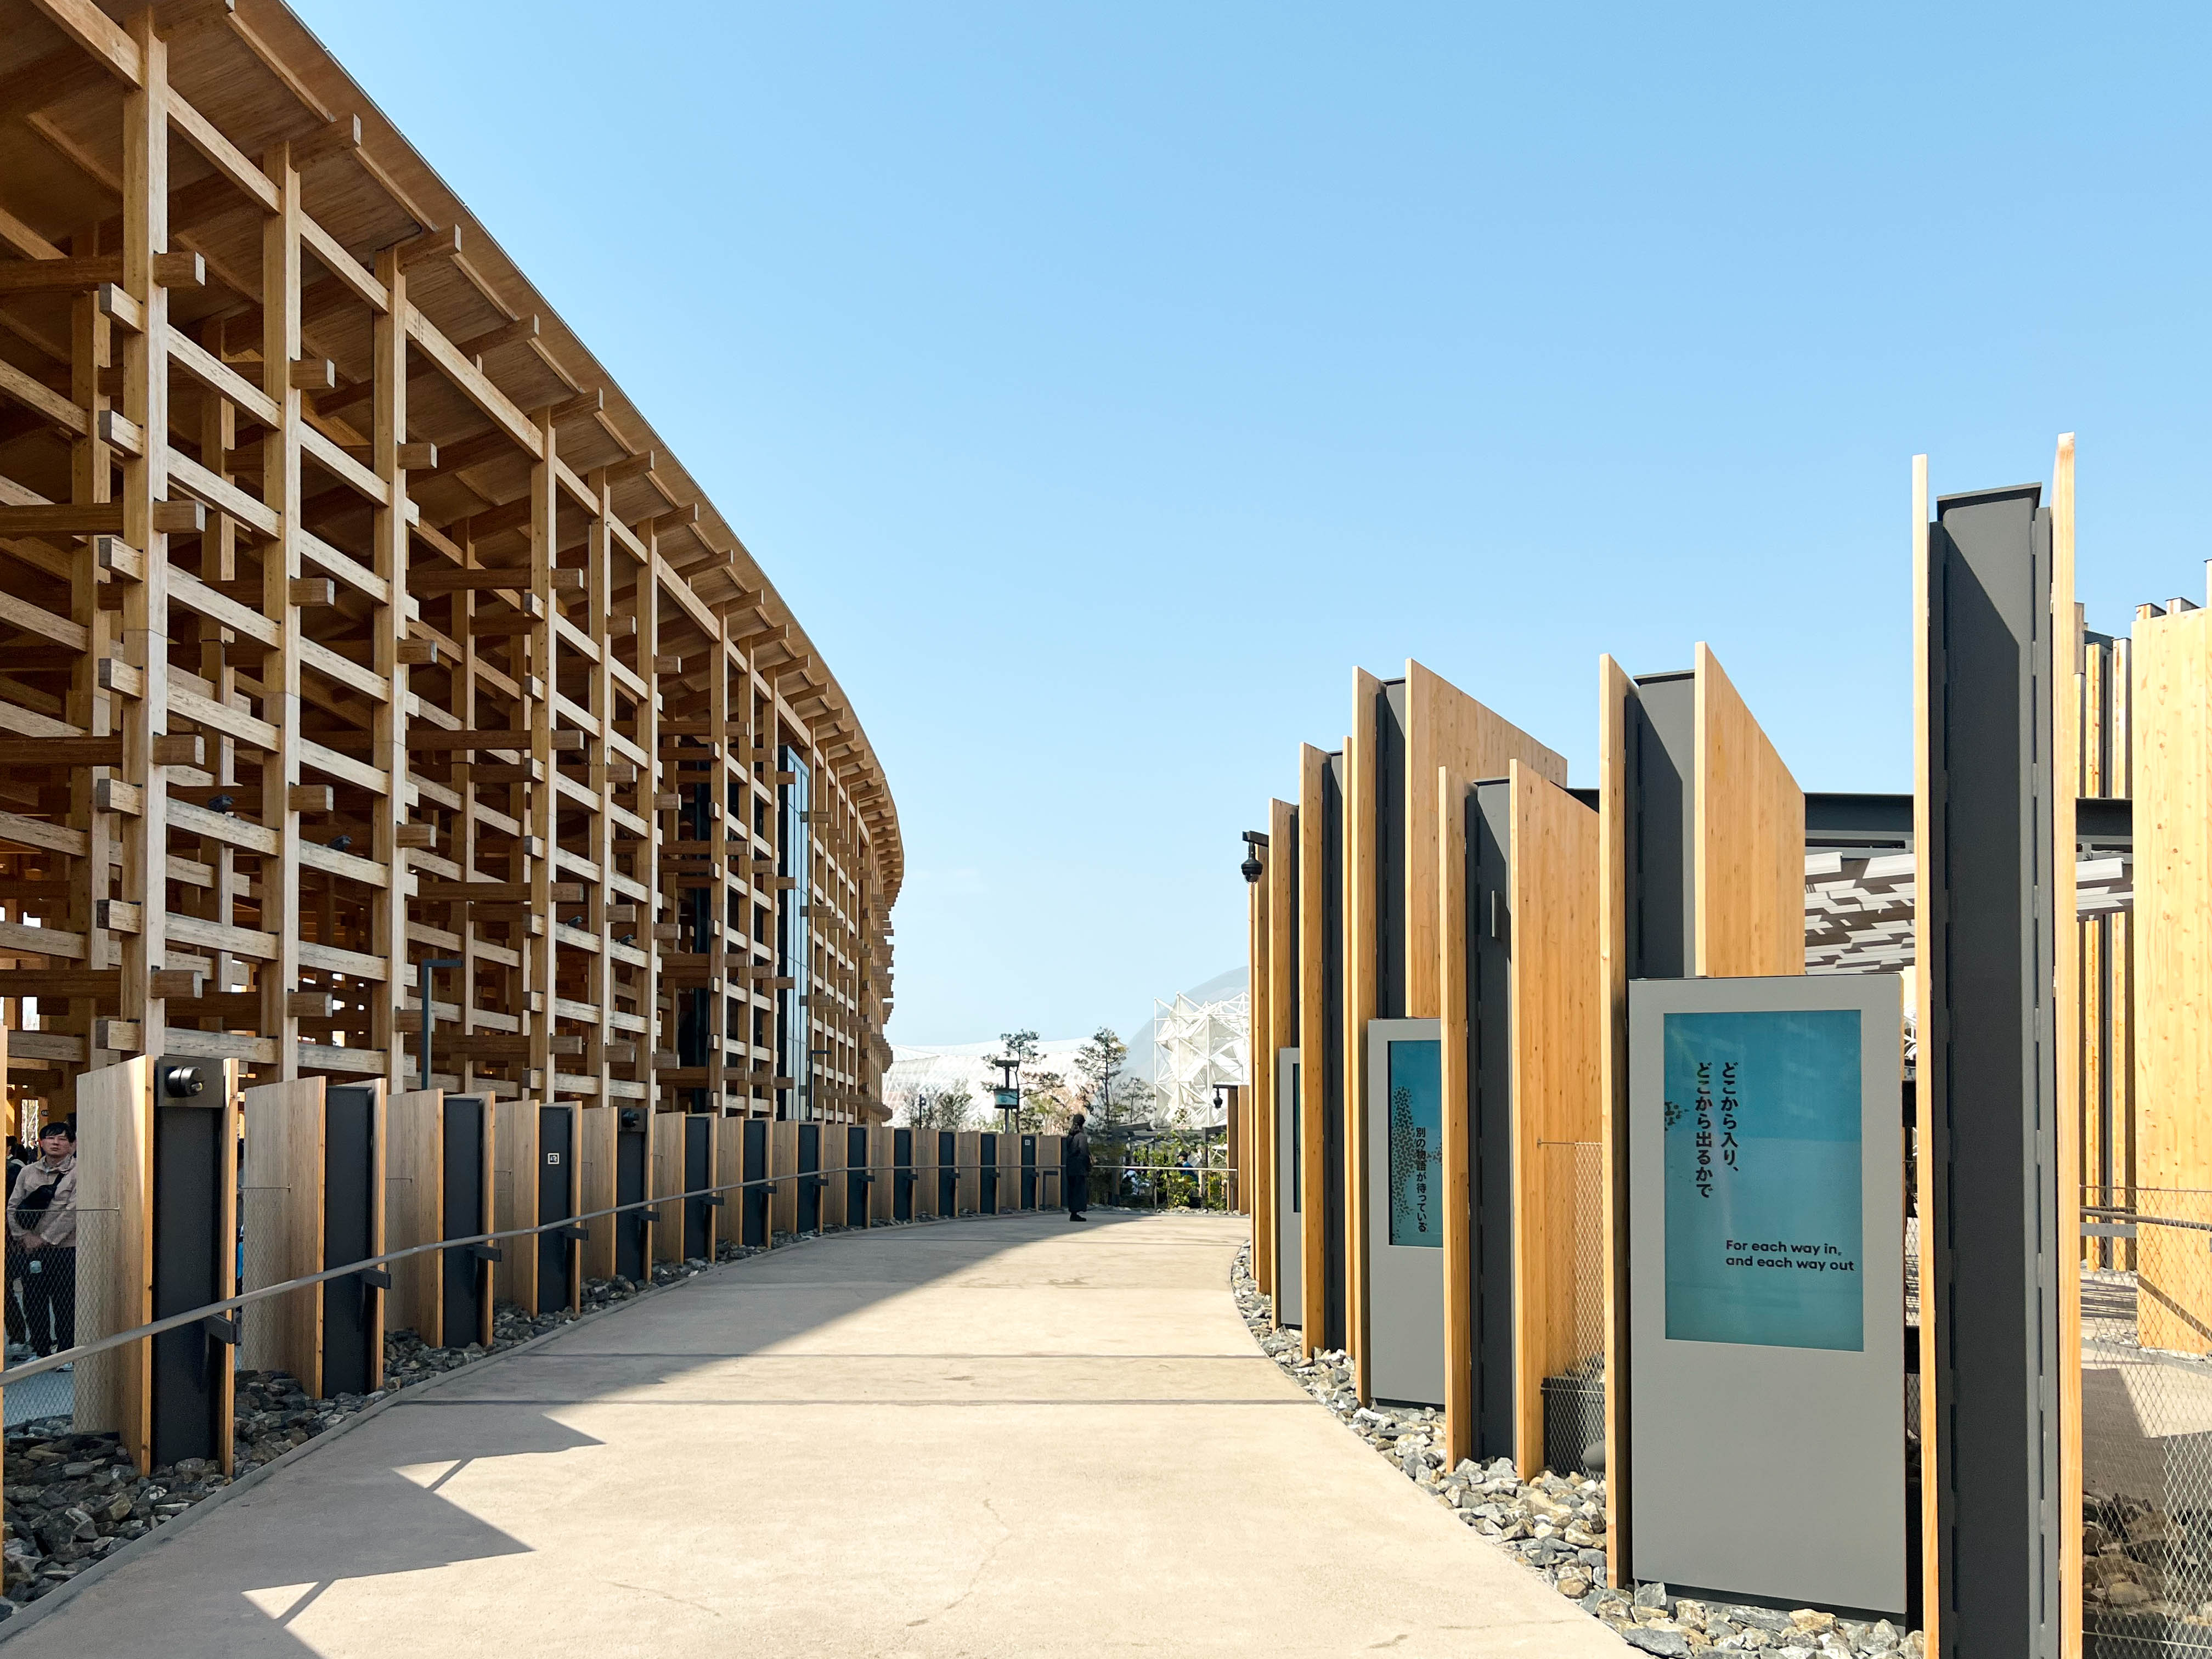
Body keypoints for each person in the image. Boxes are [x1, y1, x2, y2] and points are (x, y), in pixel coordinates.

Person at [9, 1120, 77, 1359]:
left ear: (72, 1145)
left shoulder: (80, 1172)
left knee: (64, 1302)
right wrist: (24, 1236)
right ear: (41, 1143)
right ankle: (40, 1350)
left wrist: (46, 1239)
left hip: (65, 1248)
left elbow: (73, 1212)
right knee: (34, 1301)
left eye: (62, 1139)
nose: (56, 1143)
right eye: (50, 1138)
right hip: (30, 1249)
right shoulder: (28, 1172)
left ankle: (66, 1353)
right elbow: (12, 1206)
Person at [1063, 1113, 1091, 1223]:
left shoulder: (1070, 1137)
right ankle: (1076, 1213)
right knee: (1079, 1191)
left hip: (1070, 1168)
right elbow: (1084, 1154)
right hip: (1079, 1169)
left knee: (1072, 1191)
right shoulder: (1082, 1137)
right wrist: (1088, 1167)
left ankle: (1073, 1213)